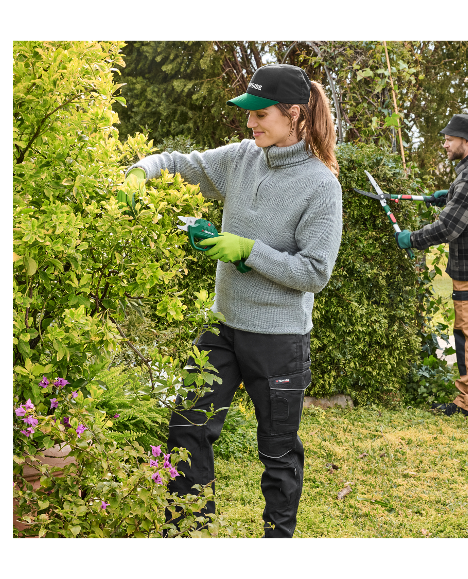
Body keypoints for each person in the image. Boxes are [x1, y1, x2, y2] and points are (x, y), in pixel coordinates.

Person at [122, 64, 343, 538]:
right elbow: (182, 164)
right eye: (248, 114)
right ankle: (187, 530)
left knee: (278, 453)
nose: (250, 124)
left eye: (260, 115)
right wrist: (142, 171)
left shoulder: (322, 185)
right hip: (223, 328)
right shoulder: (242, 158)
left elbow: (314, 272)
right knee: (186, 431)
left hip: (279, 340)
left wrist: (248, 250)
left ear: (295, 115)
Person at [396, 114, 468, 417]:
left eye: (449, 139)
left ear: (466, 141)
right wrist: (449, 197)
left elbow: (448, 229)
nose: (445, 144)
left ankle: (467, 403)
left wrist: (412, 239)